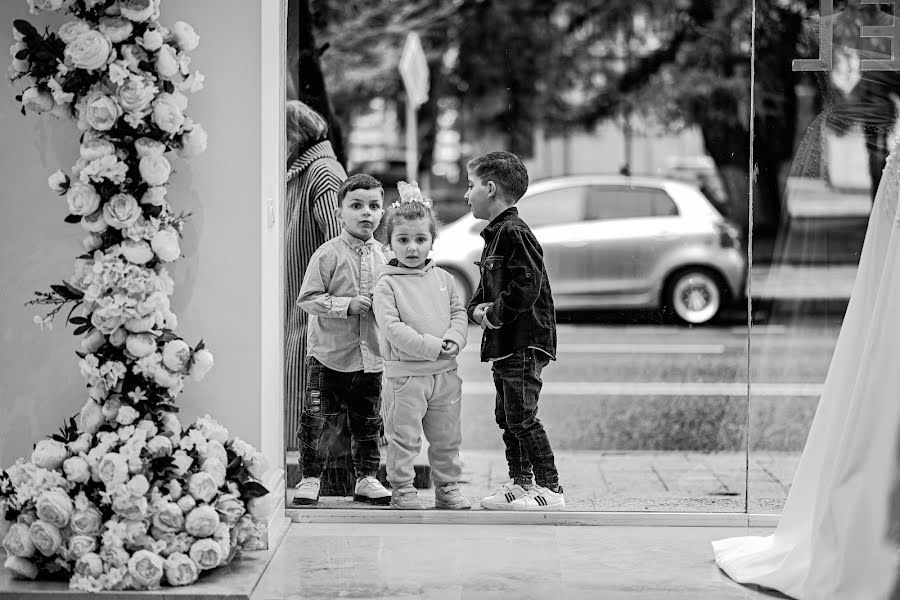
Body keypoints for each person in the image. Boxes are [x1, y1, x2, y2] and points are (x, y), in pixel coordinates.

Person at [464, 151, 564, 511]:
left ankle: (551, 489)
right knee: (507, 417)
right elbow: (487, 287)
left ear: (490, 189)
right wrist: (476, 308)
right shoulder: (496, 235)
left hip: (523, 342)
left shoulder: (514, 232)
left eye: (471, 185)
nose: (466, 194)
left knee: (522, 417)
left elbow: (526, 285)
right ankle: (522, 482)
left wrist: (494, 315)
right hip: (506, 344)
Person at [293, 174, 392, 506]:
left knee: (368, 423)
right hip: (328, 357)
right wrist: (343, 305)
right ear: (339, 213)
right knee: (318, 421)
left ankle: (366, 478)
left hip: (371, 359)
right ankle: (309, 478)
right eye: (356, 205)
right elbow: (307, 299)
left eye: (374, 206)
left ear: (382, 213)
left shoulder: (387, 258)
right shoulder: (328, 254)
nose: (366, 213)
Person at [372, 181, 471, 510]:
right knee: (403, 438)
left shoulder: (444, 279)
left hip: (445, 374)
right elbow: (391, 328)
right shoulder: (386, 284)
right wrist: (433, 346)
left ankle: (448, 487)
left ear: (432, 241)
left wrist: (455, 339)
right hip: (406, 379)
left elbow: (459, 313)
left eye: (420, 239)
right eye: (403, 240)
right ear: (389, 243)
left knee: (447, 437)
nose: (412, 247)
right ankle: (402, 489)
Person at [284, 100, 344, 450]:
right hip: (298, 310)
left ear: (292, 135)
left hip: (315, 315)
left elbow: (340, 248)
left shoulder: (322, 173)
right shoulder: (300, 174)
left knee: (310, 401)